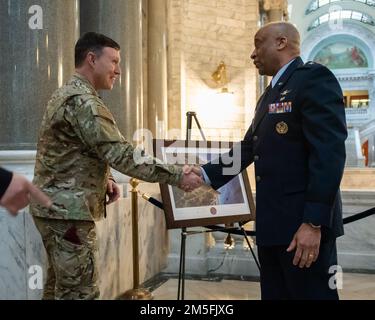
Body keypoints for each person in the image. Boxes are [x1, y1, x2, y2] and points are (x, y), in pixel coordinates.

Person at [30, 32, 202, 300]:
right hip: (68, 214)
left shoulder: (66, 93)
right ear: (91, 59)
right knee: (80, 293)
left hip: (56, 210)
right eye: (113, 62)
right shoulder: (85, 102)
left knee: (58, 290)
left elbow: (76, 148)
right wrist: (178, 175)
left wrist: (105, 177)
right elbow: (121, 153)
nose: (119, 70)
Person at [189, 22, 347, 300]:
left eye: (258, 43)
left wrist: (313, 223)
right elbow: (249, 148)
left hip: (303, 227)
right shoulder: (270, 95)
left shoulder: (313, 79)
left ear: (282, 42)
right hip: (273, 225)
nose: (253, 53)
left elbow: (328, 155)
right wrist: (202, 173)